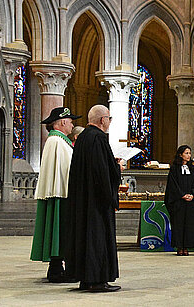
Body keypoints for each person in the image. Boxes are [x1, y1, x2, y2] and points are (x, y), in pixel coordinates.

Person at [66, 105, 123, 292]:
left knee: (84, 237)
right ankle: (98, 280)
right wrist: (117, 169)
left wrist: (110, 164)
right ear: (102, 120)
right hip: (97, 202)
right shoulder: (99, 138)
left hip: (82, 201)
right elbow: (101, 173)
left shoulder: (82, 138)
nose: (109, 122)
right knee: (98, 238)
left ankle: (85, 278)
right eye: (109, 118)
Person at [30, 107, 80, 282]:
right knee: (60, 231)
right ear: (63, 122)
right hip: (60, 194)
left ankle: (57, 268)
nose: (72, 124)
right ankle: (57, 270)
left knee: (60, 232)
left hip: (60, 192)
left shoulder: (58, 140)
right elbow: (67, 169)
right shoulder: (57, 141)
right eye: (71, 121)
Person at [164, 145, 194, 256]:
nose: (188, 155)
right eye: (186, 153)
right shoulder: (174, 169)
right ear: (180, 154)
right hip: (178, 202)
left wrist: (192, 195)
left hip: (190, 202)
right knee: (179, 224)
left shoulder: (193, 169)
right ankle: (179, 247)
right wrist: (182, 195)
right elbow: (173, 185)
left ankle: (187, 247)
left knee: (189, 224)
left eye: (190, 153)